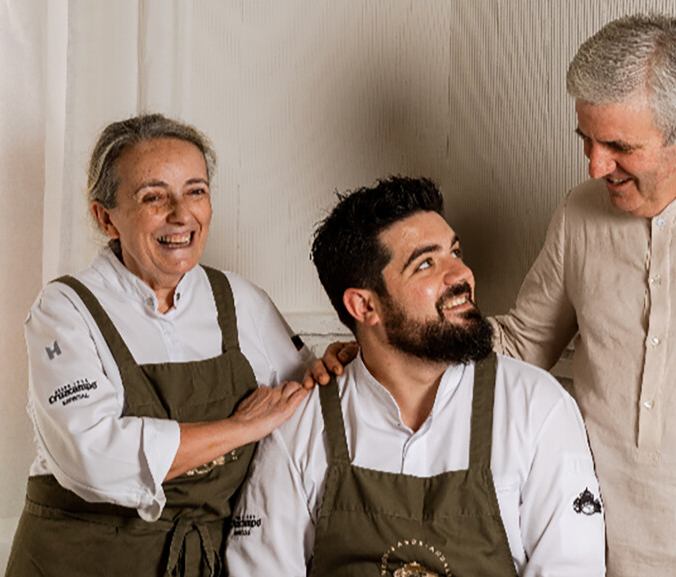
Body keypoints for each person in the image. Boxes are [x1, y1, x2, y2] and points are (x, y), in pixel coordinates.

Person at [315, 14, 676, 577]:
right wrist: (379, 352)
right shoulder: (579, 213)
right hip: (597, 560)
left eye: (619, 146)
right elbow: (520, 344)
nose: (596, 165)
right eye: (586, 140)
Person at [226, 176, 605, 577]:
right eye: (426, 263)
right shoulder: (301, 425)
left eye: (455, 252)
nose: (462, 275)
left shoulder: (537, 408)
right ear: (364, 306)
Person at [5, 113, 313, 577]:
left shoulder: (240, 301)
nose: (182, 213)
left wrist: (339, 364)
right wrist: (239, 428)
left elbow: (300, 406)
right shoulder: (65, 310)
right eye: (154, 196)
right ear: (104, 217)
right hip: (78, 562)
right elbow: (95, 458)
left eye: (196, 191)